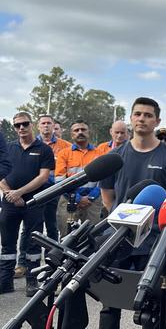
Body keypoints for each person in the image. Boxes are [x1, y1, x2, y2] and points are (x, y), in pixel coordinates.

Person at [99, 97, 166, 328]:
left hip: (154, 244)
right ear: (131, 118)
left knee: (152, 308)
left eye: (148, 115)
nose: (142, 119)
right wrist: (121, 221)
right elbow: (107, 193)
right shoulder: (116, 156)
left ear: (157, 121)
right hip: (118, 240)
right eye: (137, 114)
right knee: (110, 303)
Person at [0, 112, 54, 296]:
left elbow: (43, 177)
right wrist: (10, 194)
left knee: (33, 245)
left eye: (24, 124)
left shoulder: (44, 149)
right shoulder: (8, 148)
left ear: (32, 125)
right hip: (9, 203)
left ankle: (32, 282)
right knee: (7, 244)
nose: (21, 128)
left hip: (34, 202)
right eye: (17, 125)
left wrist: (20, 193)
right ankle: (5, 282)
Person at [14, 114, 69, 279]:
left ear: (54, 126)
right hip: (32, 193)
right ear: (37, 126)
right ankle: (22, 264)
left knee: (52, 228)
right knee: (28, 230)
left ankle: (52, 264)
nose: (46, 126)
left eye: (49, 123)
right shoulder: (30, 144)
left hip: (53, 192)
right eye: (43, 123)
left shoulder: (65, 146)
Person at [55, 120, 104, 237]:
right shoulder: (63, 154)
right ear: (72, 134)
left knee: (94, 235)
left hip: (93, 200)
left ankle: (91, 256)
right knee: (66, 236)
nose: (80, 132)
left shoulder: (100, 153)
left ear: (89, 133)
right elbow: (59, 180)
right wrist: (76, 198)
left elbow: (104, 180)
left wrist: (91, 197)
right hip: (69, 199)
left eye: (83, 130)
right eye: (76, 130)